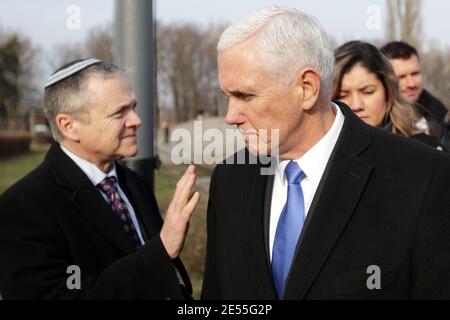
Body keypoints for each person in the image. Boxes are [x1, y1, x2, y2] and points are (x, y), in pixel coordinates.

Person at [201, 6, 450, 300]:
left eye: (245, 95)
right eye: (228, 96)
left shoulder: (422, 176)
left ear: (306, 88)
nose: (231, 116)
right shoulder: (230, 180)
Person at [0, 59, 200, 300]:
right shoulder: (23, 207)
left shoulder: (135, 184)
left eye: (133, 107)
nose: (136, 120)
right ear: (69, 126)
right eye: (119, 112)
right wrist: (160, 253)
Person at [333, 41, 445, 151]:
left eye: (368, 92)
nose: (357, 105)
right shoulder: (322, 152)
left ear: (388, 91)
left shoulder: (424, 150)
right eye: (342, 95)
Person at [380, 41, 449, 145]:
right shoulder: (374, 120)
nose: (411, 84)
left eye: (415, 74)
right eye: (401, 77)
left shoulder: (439, 113)